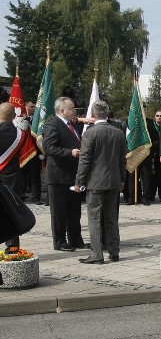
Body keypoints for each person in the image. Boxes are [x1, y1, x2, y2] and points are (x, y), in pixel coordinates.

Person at [72, 100, 127, 264]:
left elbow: (85, 160)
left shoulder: (90, 133)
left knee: (94, 219)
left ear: (93, 115)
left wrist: (78, 182)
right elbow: (122, 160)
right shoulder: (118, 132)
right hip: (113, 181)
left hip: (96, 182)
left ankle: (97, 254)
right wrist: (122, 180)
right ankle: (114, 251)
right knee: (111, 218)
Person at [42, 97, 87, 251]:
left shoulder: (71, 125)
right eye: (72, 108)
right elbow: (48, 148)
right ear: (62, 110)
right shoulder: (52, 124)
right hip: (58, 176)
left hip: (73, 176)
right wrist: (70, 152)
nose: (74, 111)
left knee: (75, 210)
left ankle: (75, 239)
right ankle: (60, 241)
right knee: (59, 212)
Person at [0, 102, 25, 252]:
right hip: (14, 179)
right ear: (14, 116)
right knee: (12, 214)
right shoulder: (21, 134)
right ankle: (13, 247)